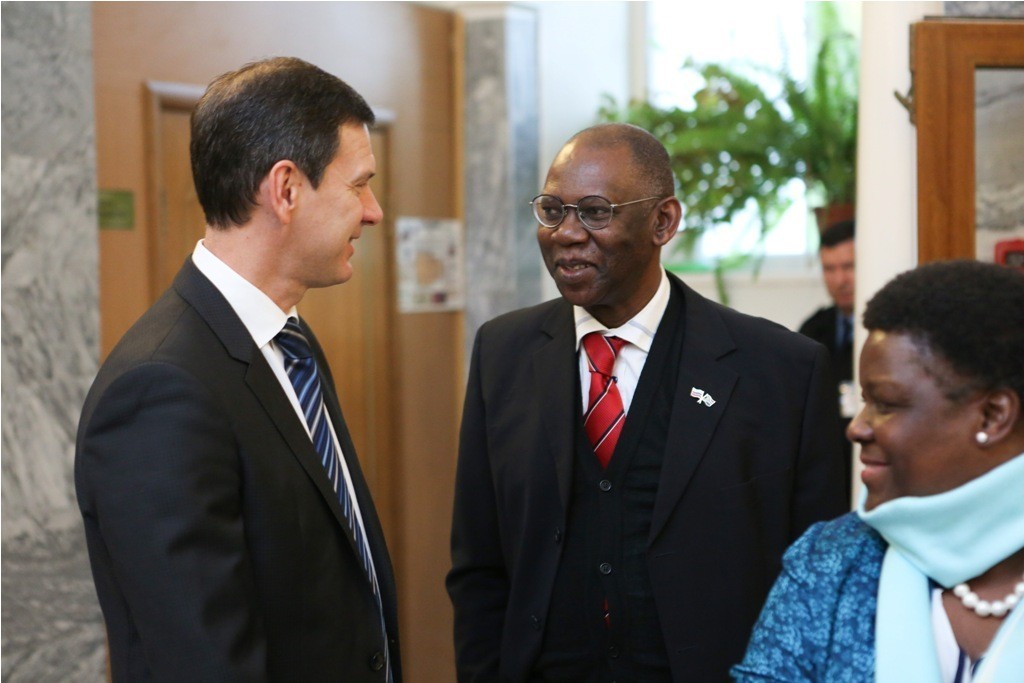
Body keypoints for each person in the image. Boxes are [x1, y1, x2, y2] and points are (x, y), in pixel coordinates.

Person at [446, 123, 847, 682]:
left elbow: (819, 577)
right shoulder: (503, 352)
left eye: (595, 212)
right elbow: (479, 564)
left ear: (664, 222)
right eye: (552, 211)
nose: (567, 233)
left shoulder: (781, 371)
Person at [75, 57, 400, 681]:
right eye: (359, 185)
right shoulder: (159, 390)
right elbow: (203, 659)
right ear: (286, 189)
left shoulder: (291, 343)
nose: (373, 211)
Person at [733, 260, 1024, 682]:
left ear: (993, 416)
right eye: (863, 402)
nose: (857, 428)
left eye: (886, 404)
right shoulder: (829, 563)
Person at [798, 219, 856, 495]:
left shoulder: (889, 328)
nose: (840, 280)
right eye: (829, 269)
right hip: (827, 461)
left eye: (849, 266)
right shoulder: (813, 329)